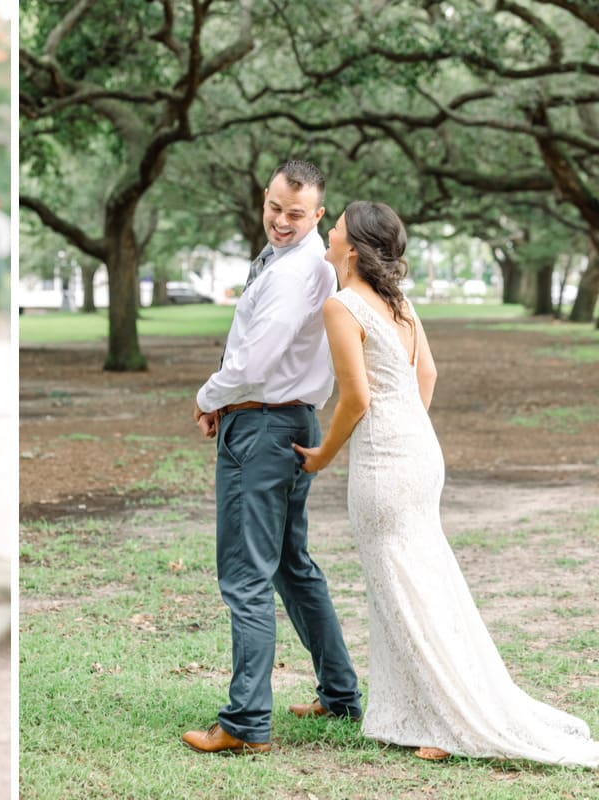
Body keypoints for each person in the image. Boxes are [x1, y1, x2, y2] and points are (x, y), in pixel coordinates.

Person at [292, 201, 599, 767]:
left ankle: (444, 719)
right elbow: (427, 374)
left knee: (401, 589)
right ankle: (413, 712)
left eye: (335, 226)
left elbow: (358, 398)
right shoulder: (397, 302)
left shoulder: (341, 306)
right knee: (422, 583)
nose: (329, 232)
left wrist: (321, 456)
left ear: (353, 246)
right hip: (419, 449)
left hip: (384, 462)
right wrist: (409, 425)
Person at [183, 160, 362, 755]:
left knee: (245, 577)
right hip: (280, 420)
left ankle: (245, 724)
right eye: (275, 209)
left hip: (261, 428)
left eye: (296, 214)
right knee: (291, 566)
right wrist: (227, 401)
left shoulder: (296, 273)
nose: (282, 222)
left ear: (317, 214)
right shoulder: (293, 263)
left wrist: (210, 396)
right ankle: (339, 694)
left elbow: (254, 364)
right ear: (266, 198)